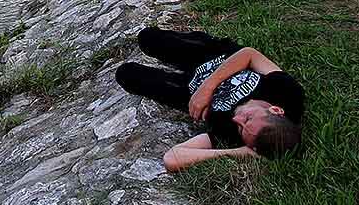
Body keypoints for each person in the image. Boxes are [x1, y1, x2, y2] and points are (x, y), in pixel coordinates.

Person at [116, 27, 304, 172]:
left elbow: (173, 158)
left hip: (188, 90)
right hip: (216, 57)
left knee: (127, 75)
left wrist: (241, 153)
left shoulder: (232, 135)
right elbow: (249, 54)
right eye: (248, 118)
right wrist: (208, 88)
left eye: (241, 128)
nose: (237, 120)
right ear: (275, 110)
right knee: (148, 38)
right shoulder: (287, 94)